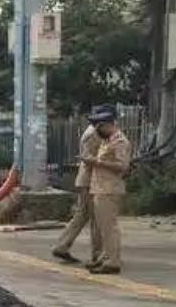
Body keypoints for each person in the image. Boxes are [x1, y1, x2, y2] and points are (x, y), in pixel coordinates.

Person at [85, 105, 132, 275]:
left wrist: (96, 162)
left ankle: (113, 262)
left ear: (108, 124)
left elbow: (123, 167)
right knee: (103, 227)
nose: (97, 130)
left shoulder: (120, 141)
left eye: (99, 126)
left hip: (110, 189)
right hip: (100, 188)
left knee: (109, 227)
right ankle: (105, 258)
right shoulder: (107, 141)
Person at [52, 121, 102, 266]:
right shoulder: (93, 134)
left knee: (82, 214)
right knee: (95, 217)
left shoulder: (91, 131)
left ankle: (62, 245)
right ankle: (98, 254)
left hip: (87, 180)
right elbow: (89, 158)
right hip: (90, 180)